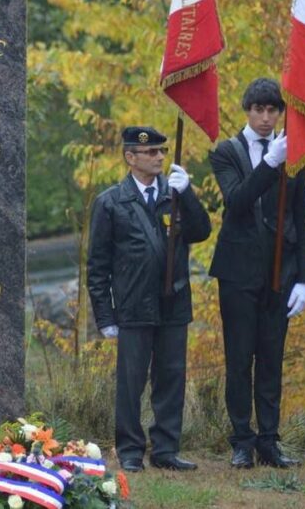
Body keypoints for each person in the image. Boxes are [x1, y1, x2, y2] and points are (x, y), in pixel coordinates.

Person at [87, 126, 211, 472]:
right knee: (131, 382)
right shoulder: (111, 201)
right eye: (151, 152)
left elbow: (201, 232)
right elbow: (98, 267)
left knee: (171, 377)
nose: (159, 157)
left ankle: (166, 449)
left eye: (161, 151)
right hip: (132, 304)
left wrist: (186, 194)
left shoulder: (174, 193)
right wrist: (105, 316)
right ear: (131, 157)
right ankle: (129, 449)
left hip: (173, 301)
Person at [208, 79, 305, 469]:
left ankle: (269, 439)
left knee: (272, 357)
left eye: (273, 111)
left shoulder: (293, 153)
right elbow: (236, 202)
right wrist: (270, 163)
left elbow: (299, 217)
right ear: (247, 110)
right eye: (259, 110)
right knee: (239, 358)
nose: (267, 118)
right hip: (237, 272)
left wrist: (304, 278)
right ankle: (241, 439)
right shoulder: (227, 152)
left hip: (280, 270)